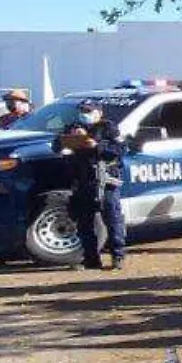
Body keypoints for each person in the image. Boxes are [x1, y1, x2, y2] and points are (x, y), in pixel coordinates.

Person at [53, 99, 128, 270]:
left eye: (88, 111)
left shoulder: (108, 128)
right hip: (81, 180)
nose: (84, 115)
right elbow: (56, 146)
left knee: (112, 218)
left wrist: (97, 146)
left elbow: (120, 151)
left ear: (98, 113)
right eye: (82, 111)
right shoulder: (73, 127)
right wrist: (71, 138)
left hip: (105, 180)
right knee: (84, 222)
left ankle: (118, 256)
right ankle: (91, 259)